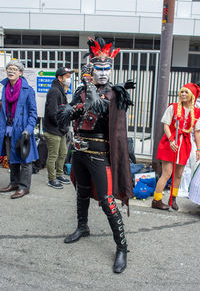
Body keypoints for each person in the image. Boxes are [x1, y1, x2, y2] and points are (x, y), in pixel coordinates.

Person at [57, 36, 134, 273]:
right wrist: (72, 107)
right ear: (91, 66)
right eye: (98, 68)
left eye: (106, 68)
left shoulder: (115, 92)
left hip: (100, 155)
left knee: (107, 201)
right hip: (79, 151)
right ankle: (83, 226)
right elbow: (64, 116)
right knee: (81, 192)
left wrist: (87, 87)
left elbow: (98, 107)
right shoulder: (81, 90)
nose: (103, 73)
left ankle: (122, 247)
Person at [152, 83, 200, 210]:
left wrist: (199, 149)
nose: (183, 94)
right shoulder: (173, 107)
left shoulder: (197, 112)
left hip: (185, 145)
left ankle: (173, 199)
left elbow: (197, 131)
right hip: (169, 143)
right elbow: (166, 125)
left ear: (192, 95)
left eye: (186, 92)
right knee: (167, 174)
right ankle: (156, 200)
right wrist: (171, 140)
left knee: (178, 175)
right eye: (182, 92)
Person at [0, 60, 39, 199]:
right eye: (9, 69)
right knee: (11, 158)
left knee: (25, 159)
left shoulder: (28, 90)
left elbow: (33, 113)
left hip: (23, 130)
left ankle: (24, 187)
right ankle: (14, 183)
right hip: (8, 129)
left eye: (14, 69)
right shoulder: (5, 88)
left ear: (20, 73)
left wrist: (28, 129)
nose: (11, 71)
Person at [44, 67, 74, 189]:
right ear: (59, 78)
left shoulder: (61, 90)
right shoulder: (54, 91)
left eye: (69, 76)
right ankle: (52, 179)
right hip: (53, 130)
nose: (69, 79)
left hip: (60, 130)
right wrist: (61, 125)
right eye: (66, 76)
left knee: (63, 153)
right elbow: (52, 113)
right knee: (53, 155)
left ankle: (59, 174)